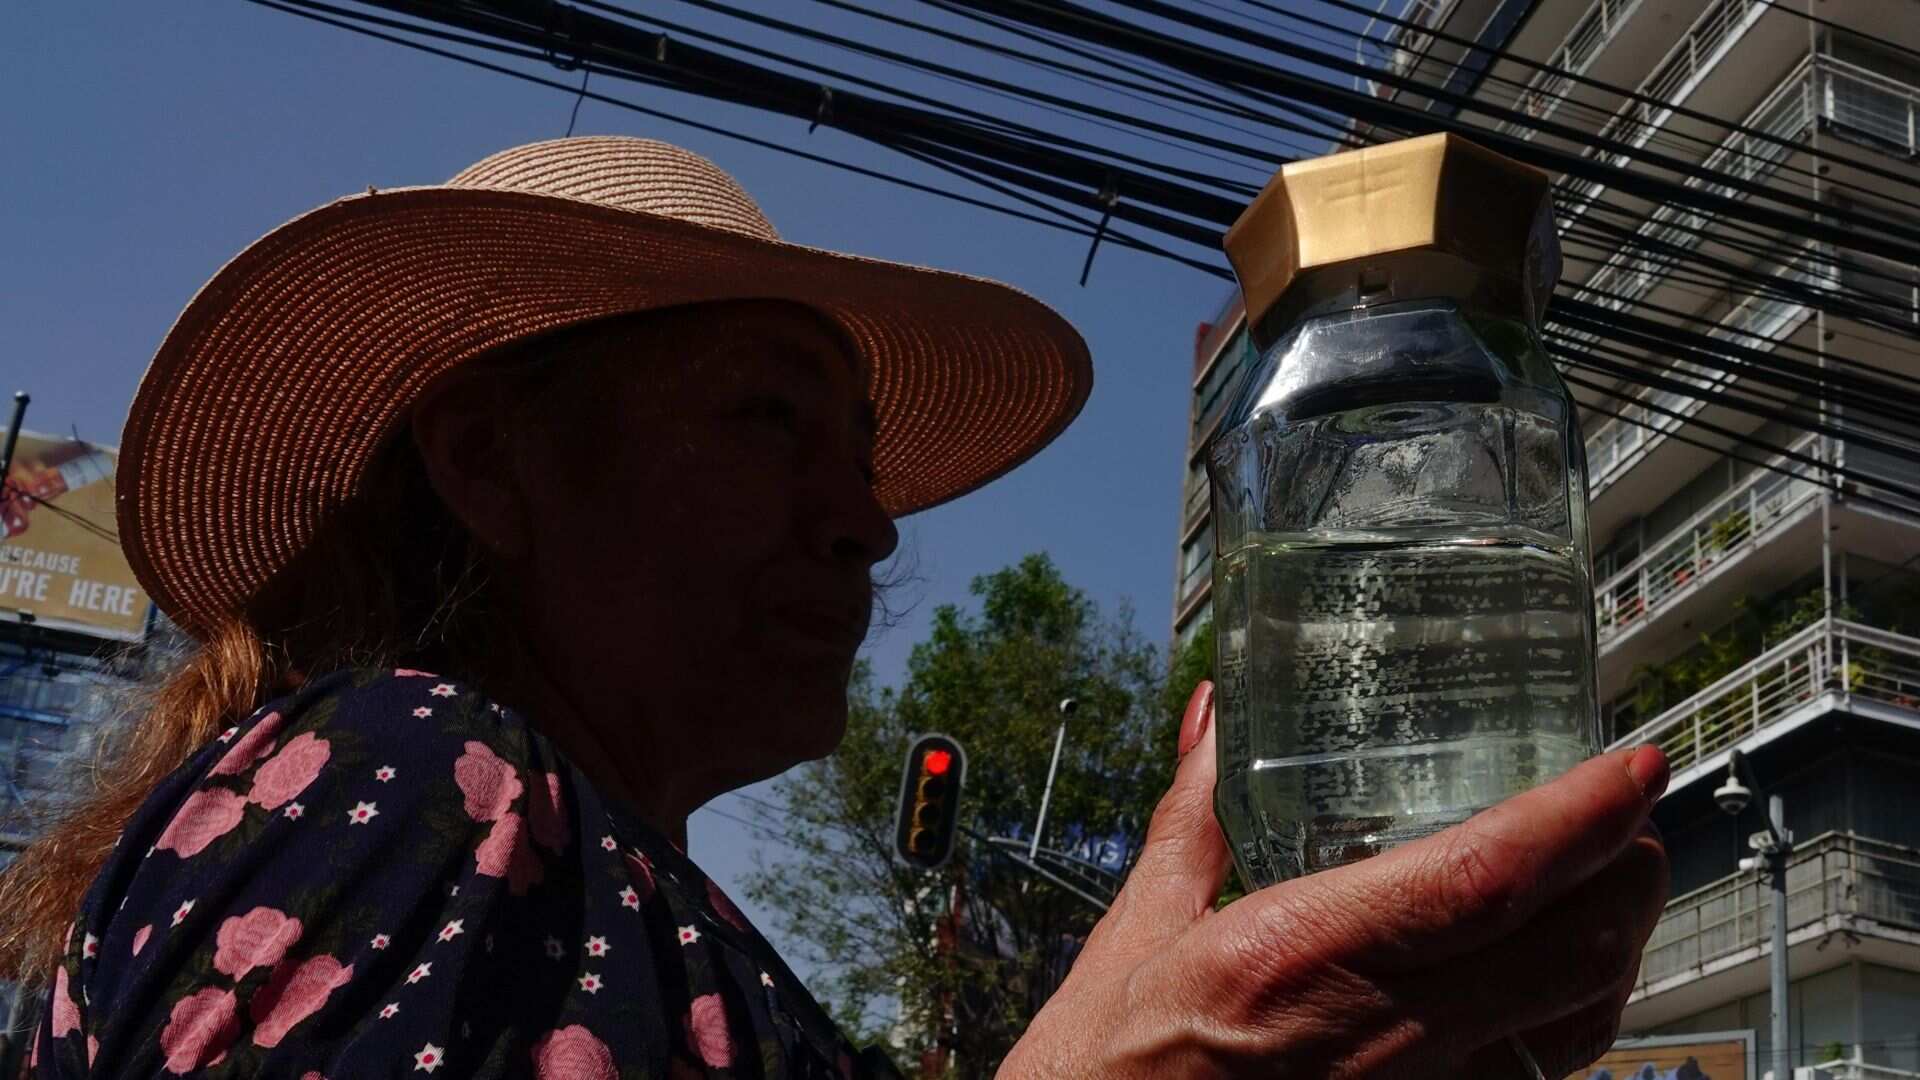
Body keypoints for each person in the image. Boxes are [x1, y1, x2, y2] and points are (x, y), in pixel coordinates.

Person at [0, 136, 1669, 1078]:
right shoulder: (407, 787)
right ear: (493, 466)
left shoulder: (576, 880)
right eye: (768, 419)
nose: (870, 526)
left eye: (861, 451)